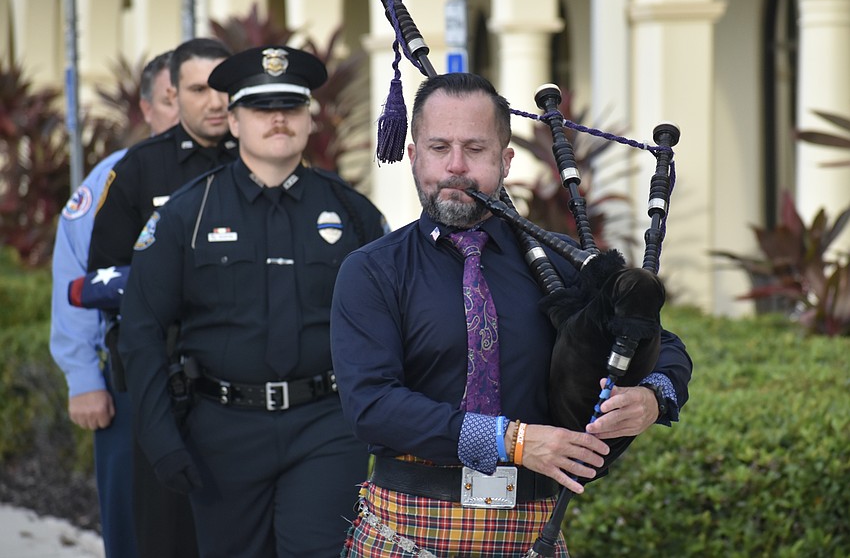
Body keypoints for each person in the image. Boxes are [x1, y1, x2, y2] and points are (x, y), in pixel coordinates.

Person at [330, 72, 693, 557]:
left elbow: (662, 344)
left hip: (528, 532)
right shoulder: (372, 271)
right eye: (439, 148)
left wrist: (652, 396)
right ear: (414, 157)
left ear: (505, 162)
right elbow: (372, 406)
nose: (456, 167)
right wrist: (514, 440)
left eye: (475, 149)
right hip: (406, 529)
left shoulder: (561, 263)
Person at [117, 45, 389, 557]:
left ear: (309, 120)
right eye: (262, 109)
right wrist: (159, 437)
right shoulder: (186, 215)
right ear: (235, 121)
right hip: (222, 432)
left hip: (325, 429)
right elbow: (141, 330)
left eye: (290, 107)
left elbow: (388, 325)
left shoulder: (353, 214)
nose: (278, 119)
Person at [87, 37, 237, 558]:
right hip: (164, 389)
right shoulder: (138, 171)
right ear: (175, 93)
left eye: (223, 88)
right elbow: (101, 278)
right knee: (165, 538)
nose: (216, 102)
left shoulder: (265, 164)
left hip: (246, 392)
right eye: (200, 89)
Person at [49, 50, 178, 558]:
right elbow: (77, 279)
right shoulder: (112, 177)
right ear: (147, 109)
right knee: (134, 533)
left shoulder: (244, 172)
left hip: (221, 392)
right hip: (131, 384)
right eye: (173, 99)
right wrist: (83, 379)